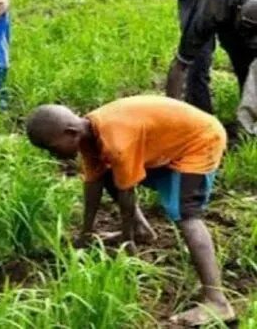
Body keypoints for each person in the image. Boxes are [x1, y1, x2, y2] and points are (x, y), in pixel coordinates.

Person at [26, 95, 235, 326]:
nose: (53, 155)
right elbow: (93, 183)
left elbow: (127, 194)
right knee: (107, 174)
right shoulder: (89, 134)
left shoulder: (116, 142)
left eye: (52, 148)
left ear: (70, 132)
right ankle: (142, 230)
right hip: (169, 142)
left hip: (200, 140)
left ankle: (217, 302)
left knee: (186, 215)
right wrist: (85, 235)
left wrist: (127, 243)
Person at [165, 0, 257, 115]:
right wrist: (171, 114)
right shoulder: (209, 10)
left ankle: (250, 114)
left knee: (244, 55)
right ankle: (201, 116)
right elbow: (181, 65)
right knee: (199, 58)